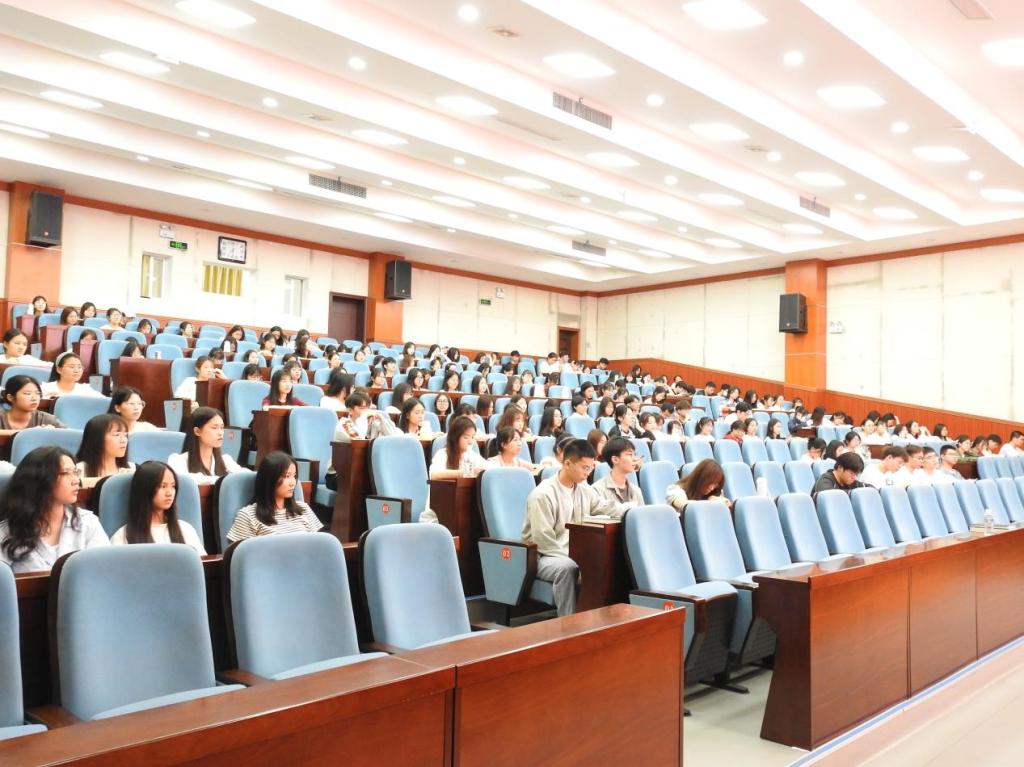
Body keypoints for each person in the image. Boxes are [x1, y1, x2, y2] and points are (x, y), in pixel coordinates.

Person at [521, 439, 627, 616]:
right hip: (541, 556)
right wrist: (577, 560)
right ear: (568, 464)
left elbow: (604, 506)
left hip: (570, 552)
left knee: (604, 561)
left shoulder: (583, 488)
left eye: (591, 468)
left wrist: (629, 510)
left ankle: (600, 619)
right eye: (584, 468)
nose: (588, 473)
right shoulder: (543, 495)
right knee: (568, 567)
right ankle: (568, 622)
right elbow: (543, 540)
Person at [0, 446, 109, 572]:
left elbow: (105, 571)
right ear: (40, 479)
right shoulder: (6, 533)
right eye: (66, 473)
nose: (76, 481)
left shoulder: (88, 522)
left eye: (75, 472)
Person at [226, 451, 323, 542]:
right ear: (270, 479)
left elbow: (318, 546)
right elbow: (240, 552)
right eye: (287, 476)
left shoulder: (304, 509)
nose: (293, 483)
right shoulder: (248, 516)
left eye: (294, 476)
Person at [110, 461, 205, 552]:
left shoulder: (185, 529)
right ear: (145, 489)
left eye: (173, 486)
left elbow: (201, 562)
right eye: (163, 486)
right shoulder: (122, 536)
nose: (169, 493)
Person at [167, 407, 243, 484]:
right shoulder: (178, 460)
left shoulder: (226, 460)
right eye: (214, 428)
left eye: (222, 428)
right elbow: (185, 480)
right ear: (197, 431)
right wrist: (223, 480)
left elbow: (245, 476)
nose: (220, 433)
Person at [76, 414, 134, 486]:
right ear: (97, 439)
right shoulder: (78, 471)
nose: (124, 440)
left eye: (125, 435)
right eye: (117, 435)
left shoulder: (133, 469)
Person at [592, 437, 644, 507]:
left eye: (634, 454)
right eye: (630, 455)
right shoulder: (597, 490)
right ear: (615, 459)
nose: (634, 459)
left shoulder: (636, 490)